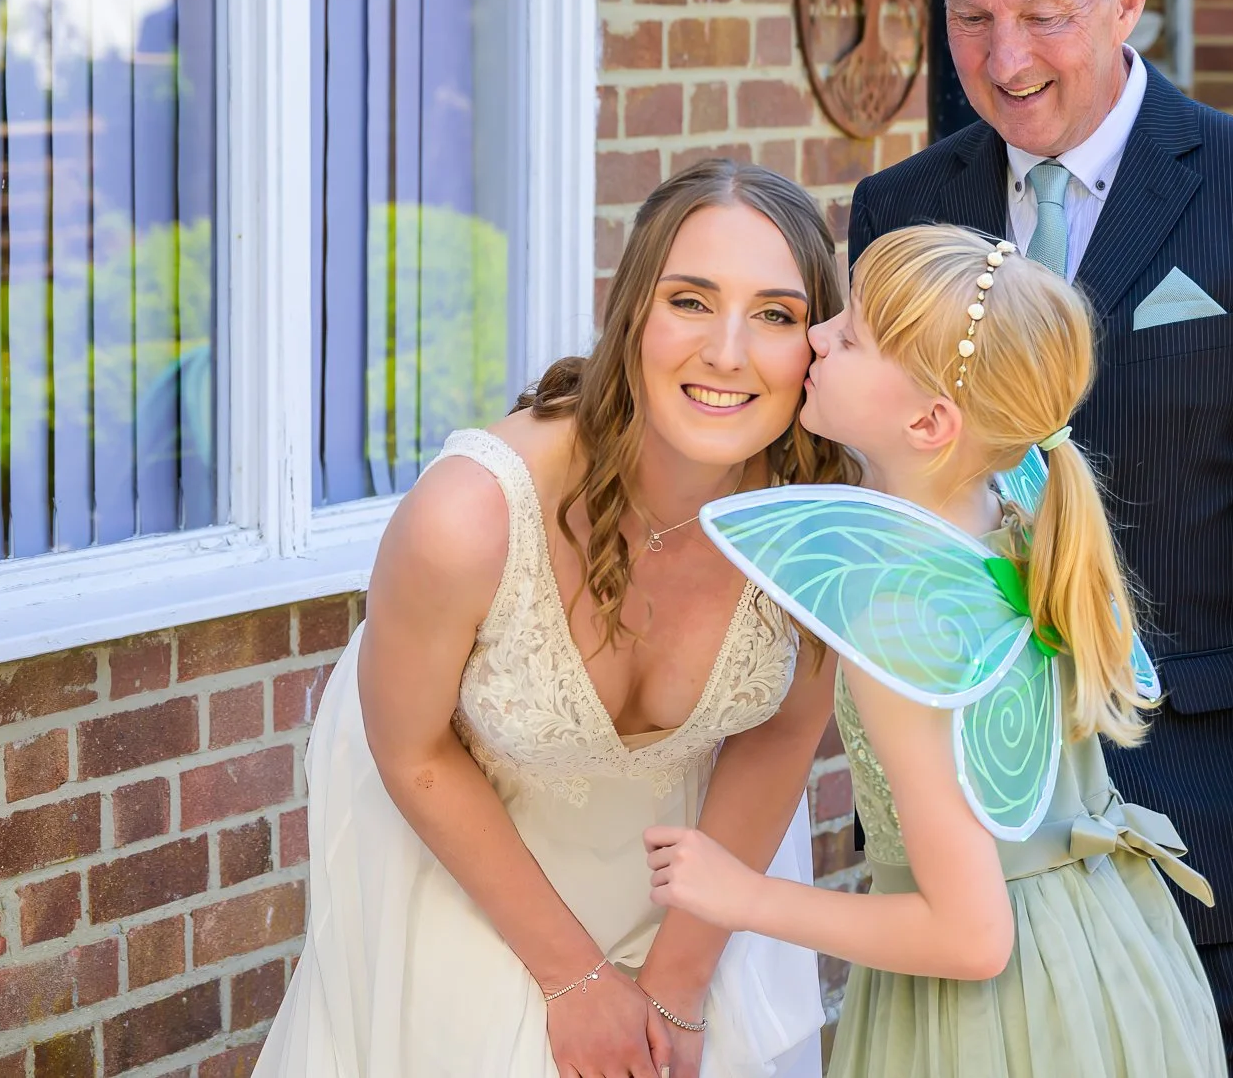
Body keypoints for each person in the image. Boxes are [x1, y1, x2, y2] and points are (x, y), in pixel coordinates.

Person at [846, 0, 1233, 1077]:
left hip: (1221, 823)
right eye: (970, 19)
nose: (1005, 62)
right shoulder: (896, 210)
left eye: (1044, 17)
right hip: (980, 836)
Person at [253, 161, 855, 1078]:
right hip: (473, 869)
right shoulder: (469, 516)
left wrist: (679, 984)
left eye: (774, 315)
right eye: (691, 300)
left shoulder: (817, 521)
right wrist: (574, 982)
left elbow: (781, 739)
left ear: (814, 342)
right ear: (632, 317)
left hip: (690, 897)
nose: (728, 352)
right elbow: (409, 749)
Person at [646, 224, 1228, 1078]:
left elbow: (969, 935)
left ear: (929, 420)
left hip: (1002, 1020)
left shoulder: (902, 613)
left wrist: (745, 895)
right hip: (1108, 957)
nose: (814, 334)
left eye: (848, 338)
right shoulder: (1018, 510)